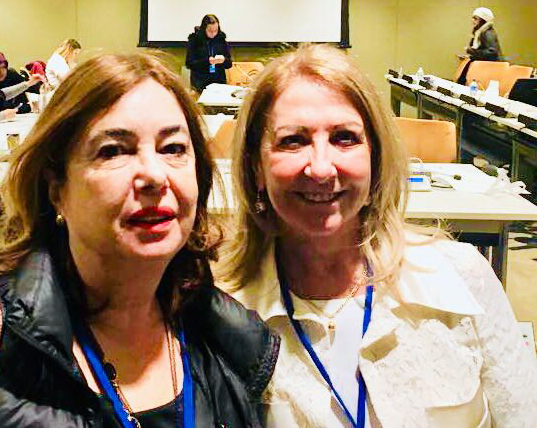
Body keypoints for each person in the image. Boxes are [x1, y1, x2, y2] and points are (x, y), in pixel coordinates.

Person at [0, 52, 279, 427]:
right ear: (56, 187)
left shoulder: (237, 344)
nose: (154, 175)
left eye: (173, 149)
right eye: (112, 151)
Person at [217, 44, 537, 426]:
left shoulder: (463, 278)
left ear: (376, 158)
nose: (321, 168)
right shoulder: (220, 316)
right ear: (255, 167)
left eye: (344, 137)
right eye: (293, 141)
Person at [0, 49, 43, 114]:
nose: (1, 72)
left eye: (4, 67)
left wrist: (39, 84)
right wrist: (29, 107)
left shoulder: (11, 75)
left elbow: (33, 89)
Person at [185, 14, 232, 92]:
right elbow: (189, 63)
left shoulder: (221, 40)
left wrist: (223, 60)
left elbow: (229, 64)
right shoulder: (195, 40)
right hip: (200, 82)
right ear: (204, 29)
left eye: (215, 31)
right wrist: (207, 61)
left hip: (218, 82)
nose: (213, 34)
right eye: (210, 31)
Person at [457, 7, 503, 84]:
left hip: (489, 70)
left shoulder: (488, 33)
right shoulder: (480, 32)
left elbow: (492, 53)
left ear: (483, 20)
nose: (472, 20)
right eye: (472, 18)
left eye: (475, 18)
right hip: (484, 67)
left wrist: (471, 51)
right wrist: (470, 55)